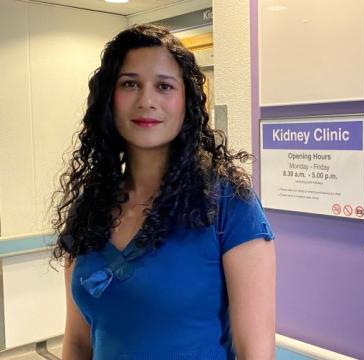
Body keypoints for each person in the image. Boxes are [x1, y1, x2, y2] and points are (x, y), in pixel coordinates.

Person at [50, 24, 276, 360]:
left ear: (187, 102)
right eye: (130, 84)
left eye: (164, 86)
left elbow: (254, 353)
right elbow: (79, 342)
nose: (147, 100)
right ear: (109, 99)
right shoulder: (88, 206)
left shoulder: (228, 204)